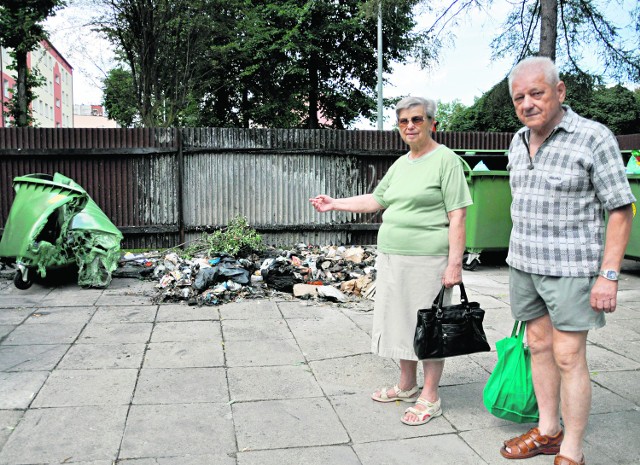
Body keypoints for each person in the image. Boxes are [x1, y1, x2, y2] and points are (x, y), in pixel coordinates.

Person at [501, 57, 635, 465]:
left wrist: (608, 275)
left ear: (560, 92)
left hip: (573, 270)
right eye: (519, 97)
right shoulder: (517, 140)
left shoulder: (593, 137)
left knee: (568, 356)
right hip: (524, 263)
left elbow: (620, 209)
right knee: (538, 346)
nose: (527, 104)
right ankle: (548, 430)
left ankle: (572, 451)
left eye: (536, 93)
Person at [309, 96, 472, 425]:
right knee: (399, 322)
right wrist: (334, 203)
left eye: (417, 119)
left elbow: (458, 216)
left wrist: (455, 263)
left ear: (431, 124)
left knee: (429, 327)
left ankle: (430, 396)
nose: (410, 126)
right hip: (393, 257)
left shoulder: (447, 161)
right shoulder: (401, 165)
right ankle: (407, 386)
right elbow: (377, 200)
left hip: (428, 259)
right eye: (403, 121)